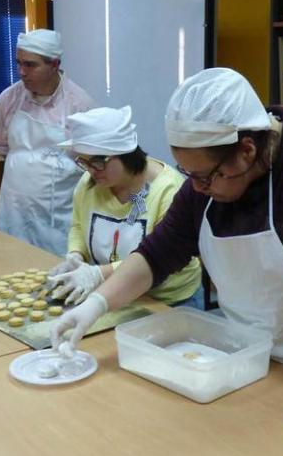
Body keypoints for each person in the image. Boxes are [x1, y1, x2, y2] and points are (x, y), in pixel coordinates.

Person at [51, 68, 283, 452]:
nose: (197, 187)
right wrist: (94, 306)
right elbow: (157, 254)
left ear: (247, 151)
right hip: (260, 360)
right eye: (188, 175)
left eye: (205, 177)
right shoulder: (209, 178)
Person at [47, 106, 202, 308]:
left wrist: (97, 274)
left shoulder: (168, 190)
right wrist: (75, 255)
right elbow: (78, 225)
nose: (91, 171)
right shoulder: (89, 183)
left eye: (97, 162)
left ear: (125, 154)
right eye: (83, 162)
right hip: (116, 294)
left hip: (167, 300)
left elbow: (160, 255)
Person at [0, 29, 95, 255]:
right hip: (14, 210)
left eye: (30, 65)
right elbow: (2, 148)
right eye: (19, 63)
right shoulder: (8, 100)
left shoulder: (79, 105)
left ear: (54, 64)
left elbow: (91, 164)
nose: (22, 72)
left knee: (53, 272)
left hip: (58, 215)